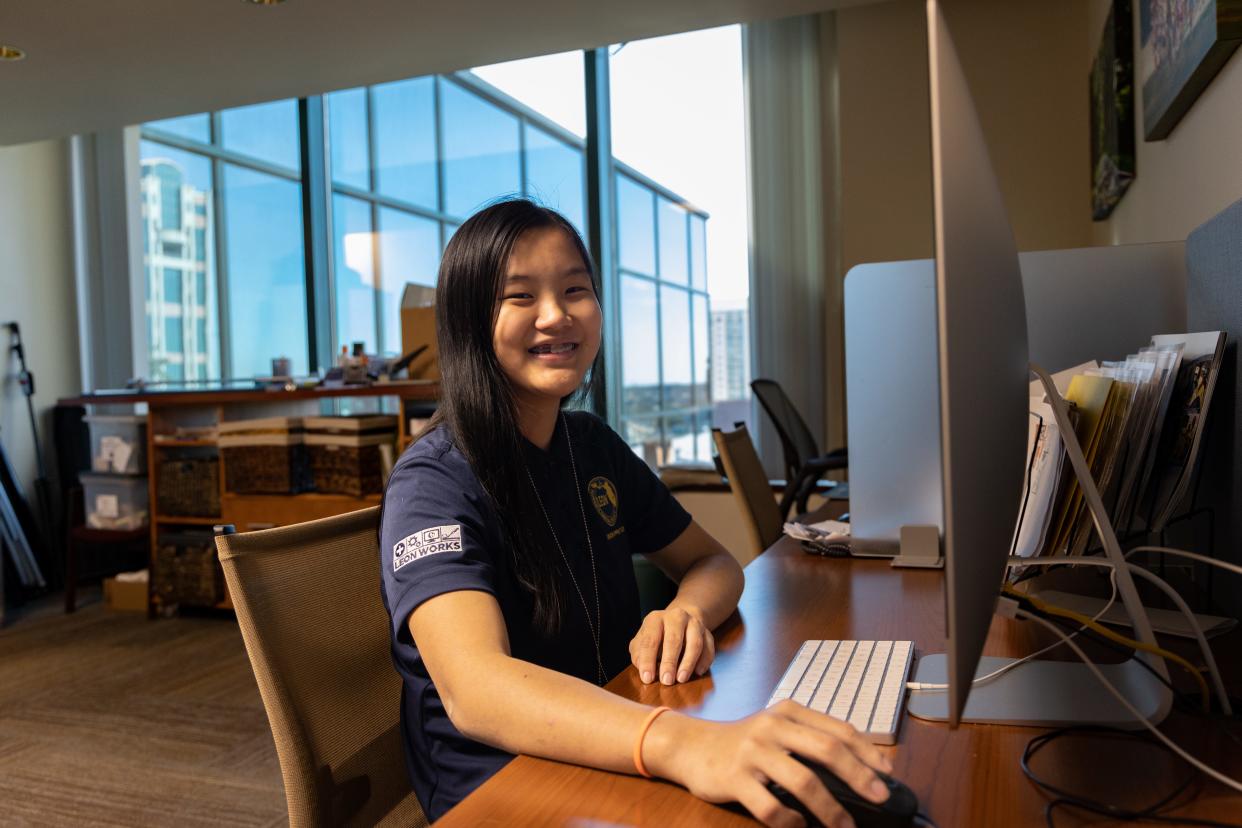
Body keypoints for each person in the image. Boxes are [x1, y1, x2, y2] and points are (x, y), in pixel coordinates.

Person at [379, 198, 894, 827]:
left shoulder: (591, 445)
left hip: (613, 738)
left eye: (576, 289)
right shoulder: (433, 481)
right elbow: (476, 690)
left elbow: (712, 561)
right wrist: (686, 744)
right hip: (505, 789)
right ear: (467, 321)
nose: (556, 315)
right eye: (519, 297)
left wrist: (685, 612)